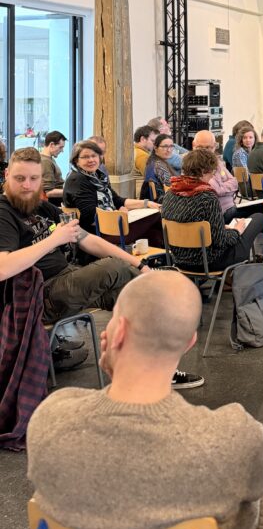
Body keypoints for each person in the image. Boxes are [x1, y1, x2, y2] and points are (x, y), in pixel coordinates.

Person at [26, 270, 263, 529]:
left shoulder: (49, 420)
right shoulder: (231, 437)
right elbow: (258, 521)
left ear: (117, 333)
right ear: (190, 343)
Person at [0, 148, 146, 371]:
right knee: (113, 267)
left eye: (34, 178)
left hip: (66, 281)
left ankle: (146, 365)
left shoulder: (41, 207)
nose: (27, 185)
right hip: (39, 296)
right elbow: (3, 268)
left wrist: (141, 265)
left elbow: (89, 241)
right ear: (7, 174)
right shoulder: (4, 213)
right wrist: (53, 240)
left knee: (134, 297)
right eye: (20, 178)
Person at [161, 149, 263, 271]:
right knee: (259, 218)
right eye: (212, 171)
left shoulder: (170, 193)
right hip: (210, 261)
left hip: (179, 261)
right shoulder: (207, 197)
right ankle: (259, 265)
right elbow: (220, 242)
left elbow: (195, 226)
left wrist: (222, 228)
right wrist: (237, 231)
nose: (213, 175)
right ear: (202, 171)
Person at [63, 141, 163, 247]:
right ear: (76, 161)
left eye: (94, 156)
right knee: (156, 216)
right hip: (96, 235)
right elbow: (91, 218)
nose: (91, 160)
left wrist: (147, 203)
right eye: (85, 157)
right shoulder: (78, 180)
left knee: (153, 230)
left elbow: (118, 200)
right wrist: (117, 214)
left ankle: (158, 259)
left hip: (109, 227)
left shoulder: (97, 176)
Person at [191, 129, 251, 222]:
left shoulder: (217, 162)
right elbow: (215, 190)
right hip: (220, 214)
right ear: (193, 146)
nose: (204, 152)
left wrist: (221, 187)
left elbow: (234, 182)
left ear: (215, 146)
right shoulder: (192, 164)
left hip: (230, 206)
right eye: (200, 147)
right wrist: (224, 187)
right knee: (260, 213)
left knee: (261, 209)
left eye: (208, 148)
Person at [142, 133, 181, 201]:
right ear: (155, 148)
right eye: (165, 147)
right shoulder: (158, 165)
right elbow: (173, 187)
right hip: (164, 203)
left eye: (171, 146)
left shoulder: (154, 161)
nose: (169, 150)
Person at [40, 131, 67, 199]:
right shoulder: (45, 161)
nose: (62, 151)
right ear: (51, 145)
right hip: (54, 203)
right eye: (60, 147)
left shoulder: (49, 159)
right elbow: (48, 192)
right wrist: (72, 192)